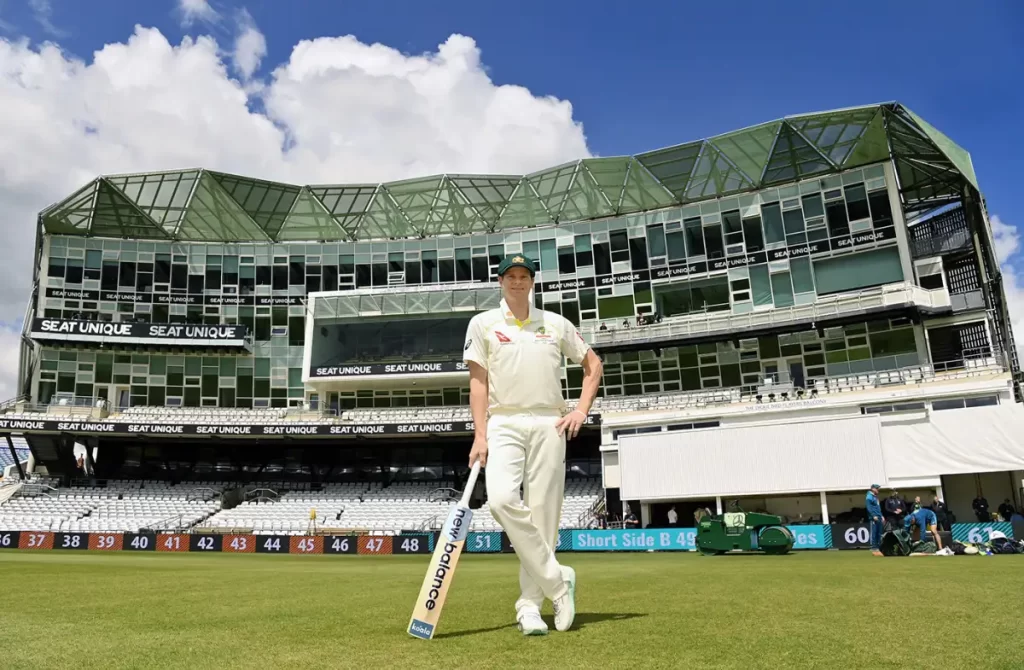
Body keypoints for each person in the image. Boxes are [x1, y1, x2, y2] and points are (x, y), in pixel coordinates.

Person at [463, 253, 603, 637]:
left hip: (549, 421)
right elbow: (478, 383)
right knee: (501, 500)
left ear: (532, 282)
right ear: (501, 281)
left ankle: (529, 607)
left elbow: (593, 365)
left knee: (543, 518)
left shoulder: (555, 323)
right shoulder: (483, 324)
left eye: (524, 276)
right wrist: (479, 433)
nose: (518, 281)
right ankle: (559, 582)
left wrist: (580, 410)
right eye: (511, 275)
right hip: (503, 420)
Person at [865, 484, 884, 550]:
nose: (878, 490)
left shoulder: (875, 497)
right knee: (874, 532)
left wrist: (881, 516)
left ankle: (879, 546)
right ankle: (873, 546)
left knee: (879, 532)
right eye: (877, 488)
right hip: (874, 518)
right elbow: (869, 508)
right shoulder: (869, 497)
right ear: (873, 489)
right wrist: (873, 516)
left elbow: (878, 508)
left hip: (879, 516)